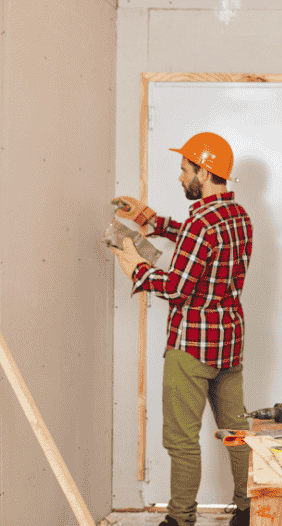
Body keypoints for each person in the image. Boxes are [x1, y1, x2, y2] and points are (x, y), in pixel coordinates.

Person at [111, 132, 253, 526]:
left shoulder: (201, 223)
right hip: (229, 343)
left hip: (191, 347)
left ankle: (179, 520)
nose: (179, 177)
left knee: (180, 441)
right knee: (236, 433)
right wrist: (147, 220)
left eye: (184, 170)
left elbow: (176, 287)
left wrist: (135, 268)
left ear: (204, 173)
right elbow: (198, 241)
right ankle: (247, 510)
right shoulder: (238, 217)